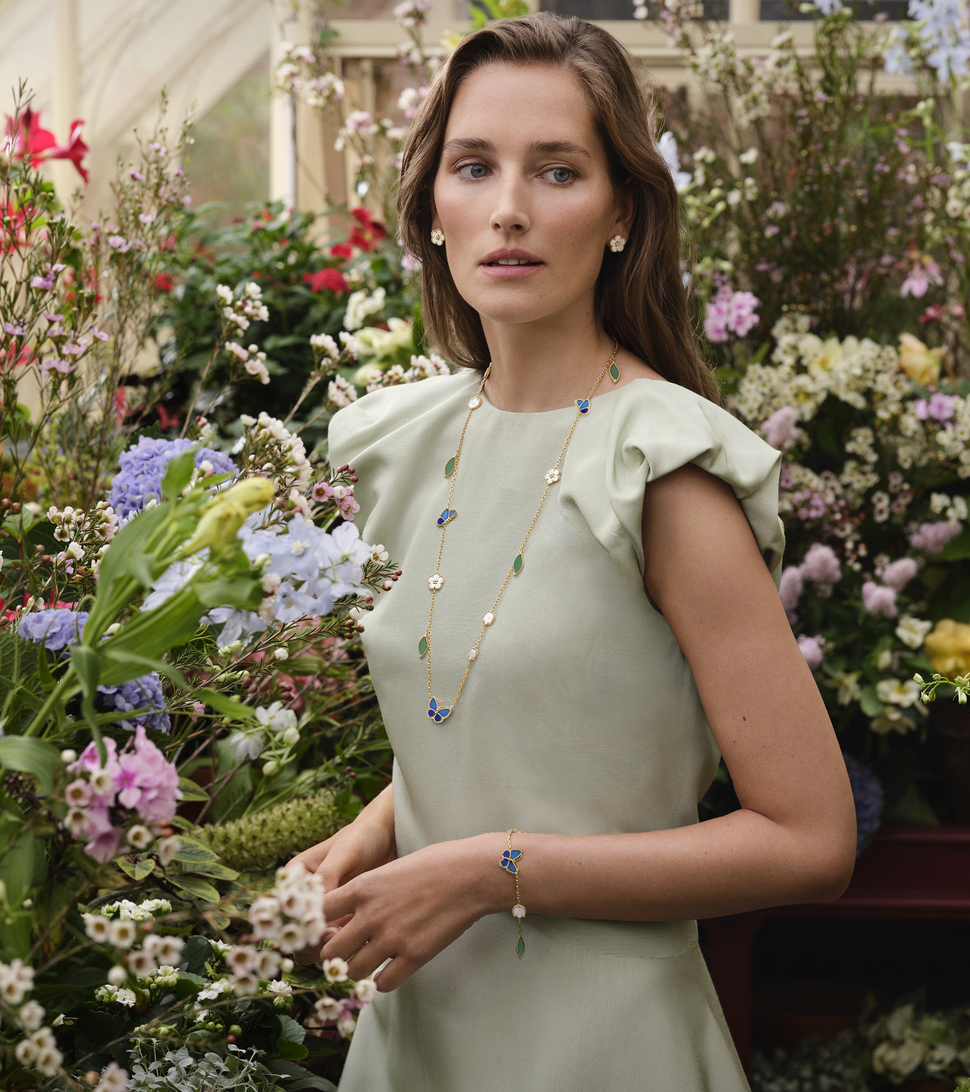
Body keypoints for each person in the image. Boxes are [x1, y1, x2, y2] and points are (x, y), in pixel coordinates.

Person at [292, 12, 855, 1089]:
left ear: (621, 212)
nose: (508, 208)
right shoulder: (396, 448)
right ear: (433, 207)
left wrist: (485, 873)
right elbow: (509, 713)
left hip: (607, 1042)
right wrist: (380, 829)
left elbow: (810, 839)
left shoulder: (662, 468)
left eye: (556, 171)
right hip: (417, 1033)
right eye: (473, 167)